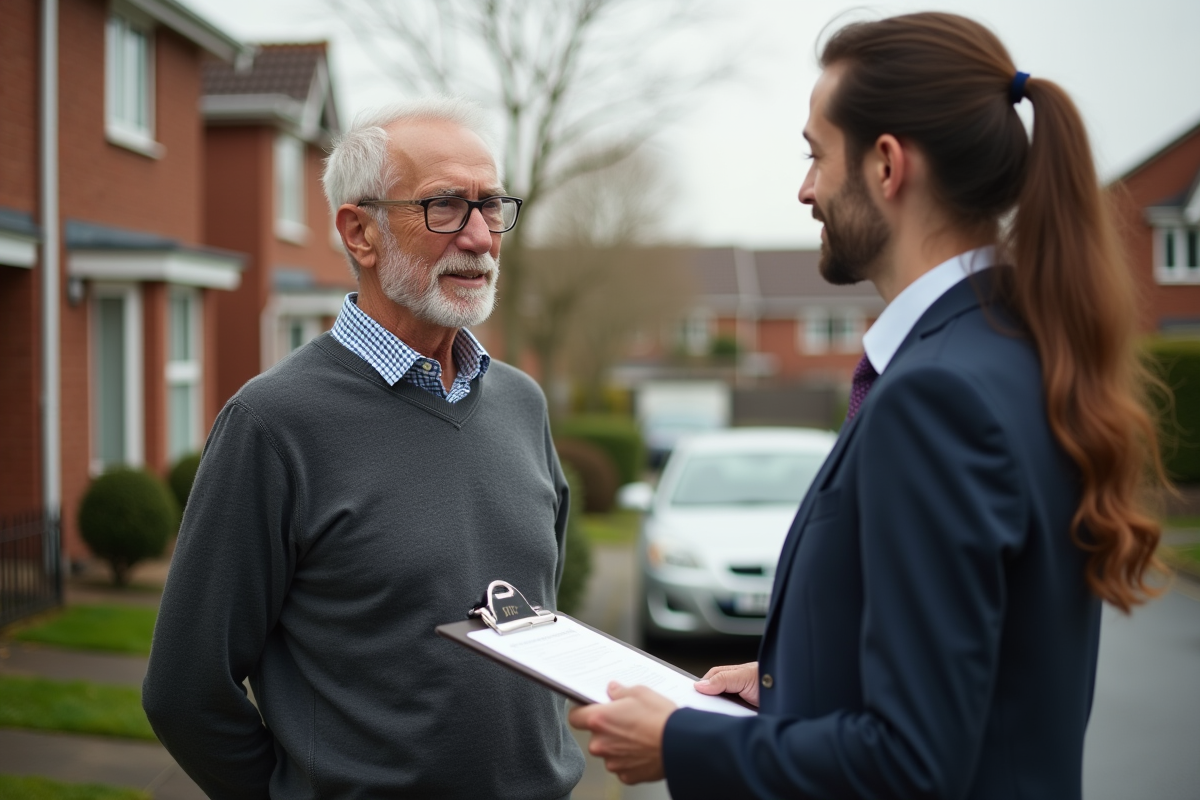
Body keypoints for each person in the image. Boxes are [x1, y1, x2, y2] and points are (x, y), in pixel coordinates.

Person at [569, 12, 1167, 799]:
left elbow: (912, 763)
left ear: (887, 165)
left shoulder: (936, 395)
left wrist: (682, 740)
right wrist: (790, 688)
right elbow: (984, 676)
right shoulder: (1019, 354)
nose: (805, 188)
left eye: (817, 154)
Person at [143, 99, 584, 799]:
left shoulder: (520, 403)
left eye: (491, 206)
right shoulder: (272, 424)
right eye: (444, 206)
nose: (478, 237)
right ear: (361, 233)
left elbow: (536, 617)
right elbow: (184, 691)